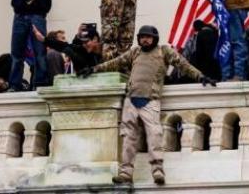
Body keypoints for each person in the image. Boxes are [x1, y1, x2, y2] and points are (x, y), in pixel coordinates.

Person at [78, 25, 216, 185]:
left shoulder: (164, 51)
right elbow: (114, 63)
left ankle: (158, 172)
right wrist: (93, 69)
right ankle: (125, 174)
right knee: (128, 139)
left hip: (151, 101)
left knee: (155, 137)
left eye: (148, 37)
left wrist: (200, 77)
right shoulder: (135, 52)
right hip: (131, 100)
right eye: (142, 36)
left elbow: (183, 65)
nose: (145, 39)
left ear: (154, 38)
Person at [36, 23, 102, 73]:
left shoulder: (108, 49)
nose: (84, 45)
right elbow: (64, 46)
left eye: (86, 42)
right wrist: (44, 40)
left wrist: (94, 69)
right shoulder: (84, 51)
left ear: (95, 39)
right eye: (82, 43)